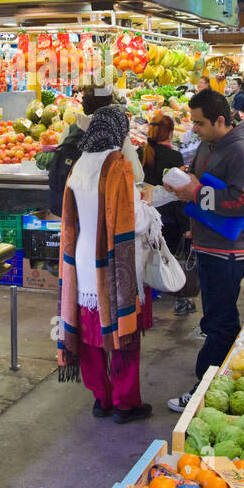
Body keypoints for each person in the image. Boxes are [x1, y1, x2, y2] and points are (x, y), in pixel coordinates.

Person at [163, 89, 244, 411]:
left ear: (221, 120)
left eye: (200, 123)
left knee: (220, 320)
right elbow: (203, 184)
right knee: (214, 317)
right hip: (209, 242)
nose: (194, 128)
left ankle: (207, 387)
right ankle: (221, 379)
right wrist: (185, 189)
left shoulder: (241, 151)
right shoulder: (211, 144)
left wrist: (197, 195)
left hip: (228, 248)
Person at [57, 107, 152, 423]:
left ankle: (102, 397)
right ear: (119, 132)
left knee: (90, 336)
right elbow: (133, 223)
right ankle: (126, 403)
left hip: (82, 262)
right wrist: (149, 208)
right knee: (123, 336)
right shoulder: (117, 166)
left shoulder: (79, 164)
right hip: (114, 264)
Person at [140, 112, 193, 314]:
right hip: (168, 219)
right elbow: (179, 194)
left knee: (148, 258)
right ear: (170, 133)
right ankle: (179, 300)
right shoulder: (173, 156)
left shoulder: (140, 153)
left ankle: (148, 298)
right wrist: (187, 225)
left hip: (145, 216)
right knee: (167, 259)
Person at [46, 86, 106, 215]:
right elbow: (137, 174)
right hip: (101, 203)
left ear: (84, 106)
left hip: (72, 199)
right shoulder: (117, 133)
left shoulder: (71, 129)